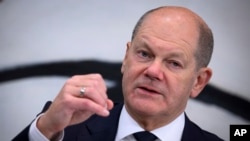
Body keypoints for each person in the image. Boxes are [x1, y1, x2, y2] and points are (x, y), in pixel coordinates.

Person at [13, 6, 223, 141]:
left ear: (198, 81)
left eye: (174, 63)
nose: (152, 71)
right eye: (144, 54)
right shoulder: (63, 129)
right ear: (126, 57)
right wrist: (45, 129)